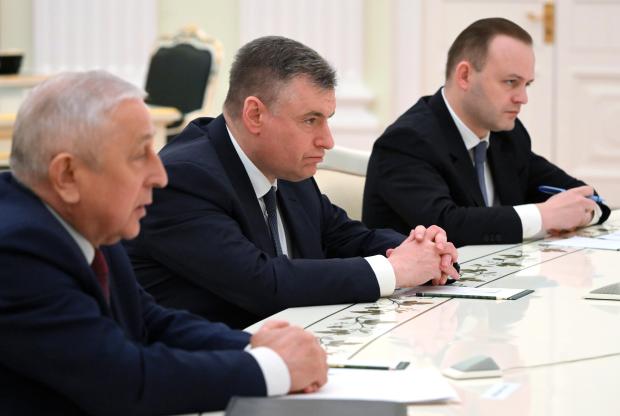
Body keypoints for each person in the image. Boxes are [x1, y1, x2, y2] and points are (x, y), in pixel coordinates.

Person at [0, 70, 328, 415]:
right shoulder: (16, 252)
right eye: (140, 155)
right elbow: (123, 383)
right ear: (67, 175)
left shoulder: (88, 220)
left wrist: (253, 344)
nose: (159, 175)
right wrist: (273, 369)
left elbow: (151, 322)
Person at [125, 36, 460, 329]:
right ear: (254, 114)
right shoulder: (184, 178)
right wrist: (394, 271)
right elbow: (263, 284)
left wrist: (422, 250)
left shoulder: (286, 169)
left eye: (326, 120)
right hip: (207, 379)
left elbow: (347, 237)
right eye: (310, 121)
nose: (327, 141)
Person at [362, 17, 610, 247]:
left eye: (527, 85)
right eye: (511, 82)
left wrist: (586, 211)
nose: (522, 98)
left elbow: (582, 195)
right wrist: (543, 216)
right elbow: (445, 224)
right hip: (420, 291)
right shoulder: (407, 141)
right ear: (465, 75)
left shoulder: (506, 135)